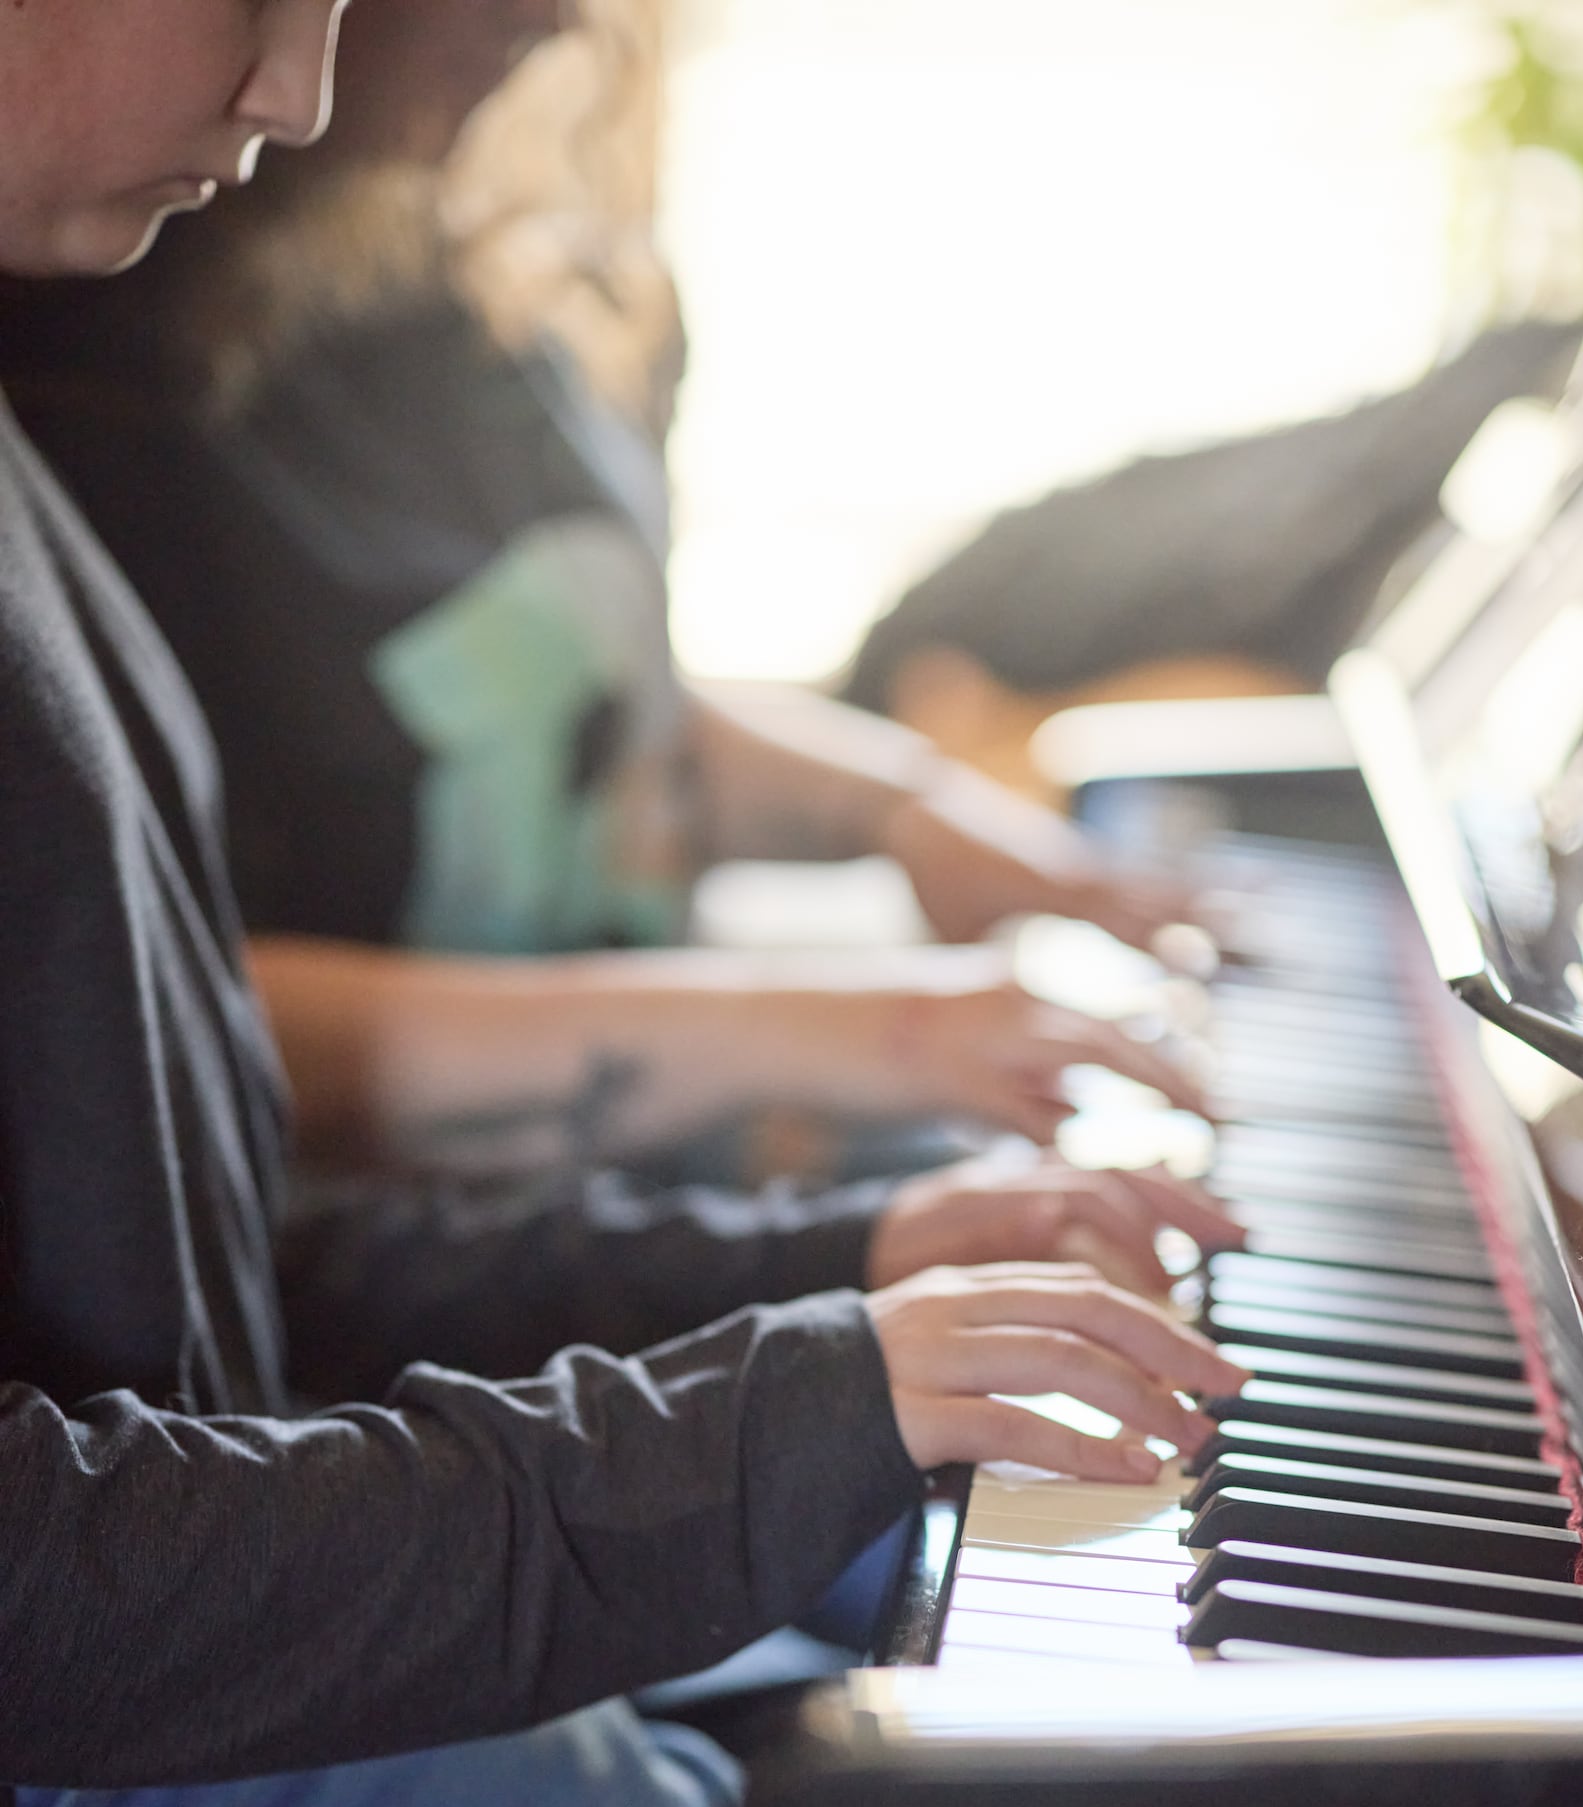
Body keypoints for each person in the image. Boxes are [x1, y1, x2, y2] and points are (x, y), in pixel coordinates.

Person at [0, 4, 1246, 1807]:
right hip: (72, 1733)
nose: (299, 88)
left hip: (143, 1617)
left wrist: (830, 1266)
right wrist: (777, 1404)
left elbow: (195, 1240)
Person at [0, 0, 1207, 1180]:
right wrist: (798, 1028)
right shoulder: (80, 368)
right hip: (406, 1283)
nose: (565, 19)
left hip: (609, 1213)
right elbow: (139, 1018)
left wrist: (898, 809)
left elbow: (549, 716)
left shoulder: (426, 271)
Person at [844, 317, 1583, 796]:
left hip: (1443, 484)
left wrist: (1046, 753)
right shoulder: (984, 607)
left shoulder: (992, 645)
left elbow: (1261, 708)